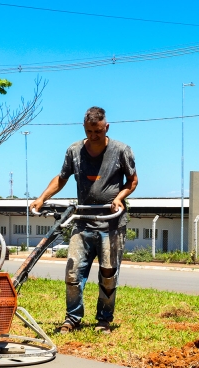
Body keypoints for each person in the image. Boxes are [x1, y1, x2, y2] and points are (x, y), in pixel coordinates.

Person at [29, 106, 138, 334]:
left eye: (97, 131)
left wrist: (119, 198)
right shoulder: (75, 151)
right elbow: (62, 178)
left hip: (112, 223)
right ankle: (72, 318)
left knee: (108, 273)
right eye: (89, 131)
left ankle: (104, 319)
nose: (93, 136)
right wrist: (41, 198)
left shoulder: (121, 150)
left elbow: (133, 181)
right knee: (73, 272)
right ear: (84, 128)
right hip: (82, 222)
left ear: (106, 127)